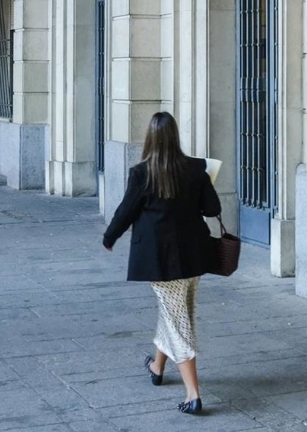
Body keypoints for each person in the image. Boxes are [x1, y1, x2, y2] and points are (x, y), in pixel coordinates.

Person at [102, 111, 221, 415]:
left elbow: (125, 211)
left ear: (151, 139)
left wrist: (109, 238)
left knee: (178, 321)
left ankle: (193, 394)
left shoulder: (142, 173)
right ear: (175, 136)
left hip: (159, 261)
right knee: (174, 313)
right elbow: (212, 208)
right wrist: (204, 183)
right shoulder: (196, 168)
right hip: (192, 257)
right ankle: (157, 366)